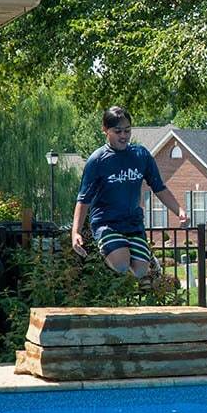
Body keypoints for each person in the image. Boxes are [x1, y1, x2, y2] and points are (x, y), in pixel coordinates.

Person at [71, 106, 187, 285]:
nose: (123, 136)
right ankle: (112, 250)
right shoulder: (97, 160)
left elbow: (159, 188)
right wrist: (76, 232)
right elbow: (83, 199)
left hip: (133, 223)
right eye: (117, 131)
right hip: (106, 223)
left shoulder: (141, 155)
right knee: (122, 264)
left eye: (127, 131)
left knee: (140, 271)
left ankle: (149, 262)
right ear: (105, 130)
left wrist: (178, 210)